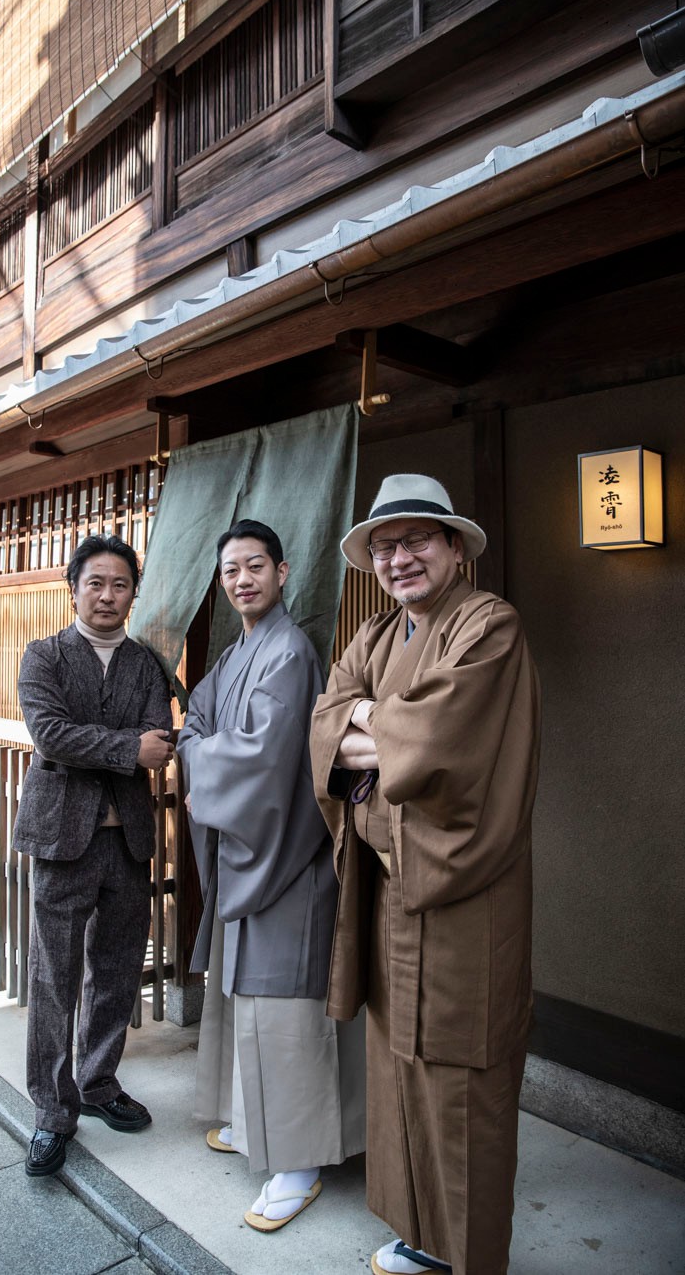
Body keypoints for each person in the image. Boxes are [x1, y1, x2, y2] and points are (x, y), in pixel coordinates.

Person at [310, 475, 541, 1275]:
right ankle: (419, 1231)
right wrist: (372, 720)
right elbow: (324, 718)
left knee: (459, 1073)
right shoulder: (375, 634)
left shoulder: (490, 626)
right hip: (387, 889)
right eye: (384, 545)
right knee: (397, 1061)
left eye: (416, 540)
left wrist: (367, 720)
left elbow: (442, 736)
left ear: (453, 548)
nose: (399, 557)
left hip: (461, 892)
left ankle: (470, 1255)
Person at [177, 519, 365, 1232]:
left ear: (283, 573)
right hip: (248, 854)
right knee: (243, 1002)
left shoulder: (288, 651)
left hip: (286, 859)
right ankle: (255, 1125)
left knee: (285, 1015)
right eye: (230, 570)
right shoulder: (237, 652)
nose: (242, 579)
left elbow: (261, 756)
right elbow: (196, 717)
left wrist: (203, 760)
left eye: (254, 565)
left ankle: (300, 1162)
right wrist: (202, 748)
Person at [13, 533, 174, 1177]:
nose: (107, 595)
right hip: (61, 838)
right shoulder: (43, 655)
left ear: (134, 594)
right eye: (95, 583)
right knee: (54, 975)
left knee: (115, 971)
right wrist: (125, 748)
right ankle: (53, 1112)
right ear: (73, 588)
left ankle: (99, 1082)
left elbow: (157, 739)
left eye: (120, 585)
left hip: (129, 839)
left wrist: (121, 746)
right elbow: (48, 732)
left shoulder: (146, 664)